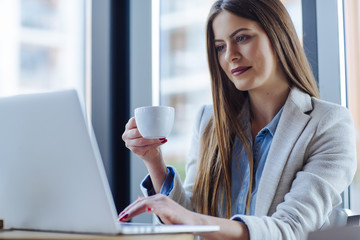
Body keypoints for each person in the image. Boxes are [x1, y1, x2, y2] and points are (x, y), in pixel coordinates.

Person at [120, 0, 357, 239]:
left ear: (278, 35)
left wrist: (194, 220)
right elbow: (191, 216)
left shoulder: (328, 125)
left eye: (242, 38)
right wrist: (154, 160)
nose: (230, 56)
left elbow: (292, 228)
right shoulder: (208, 122)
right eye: (220, 47)